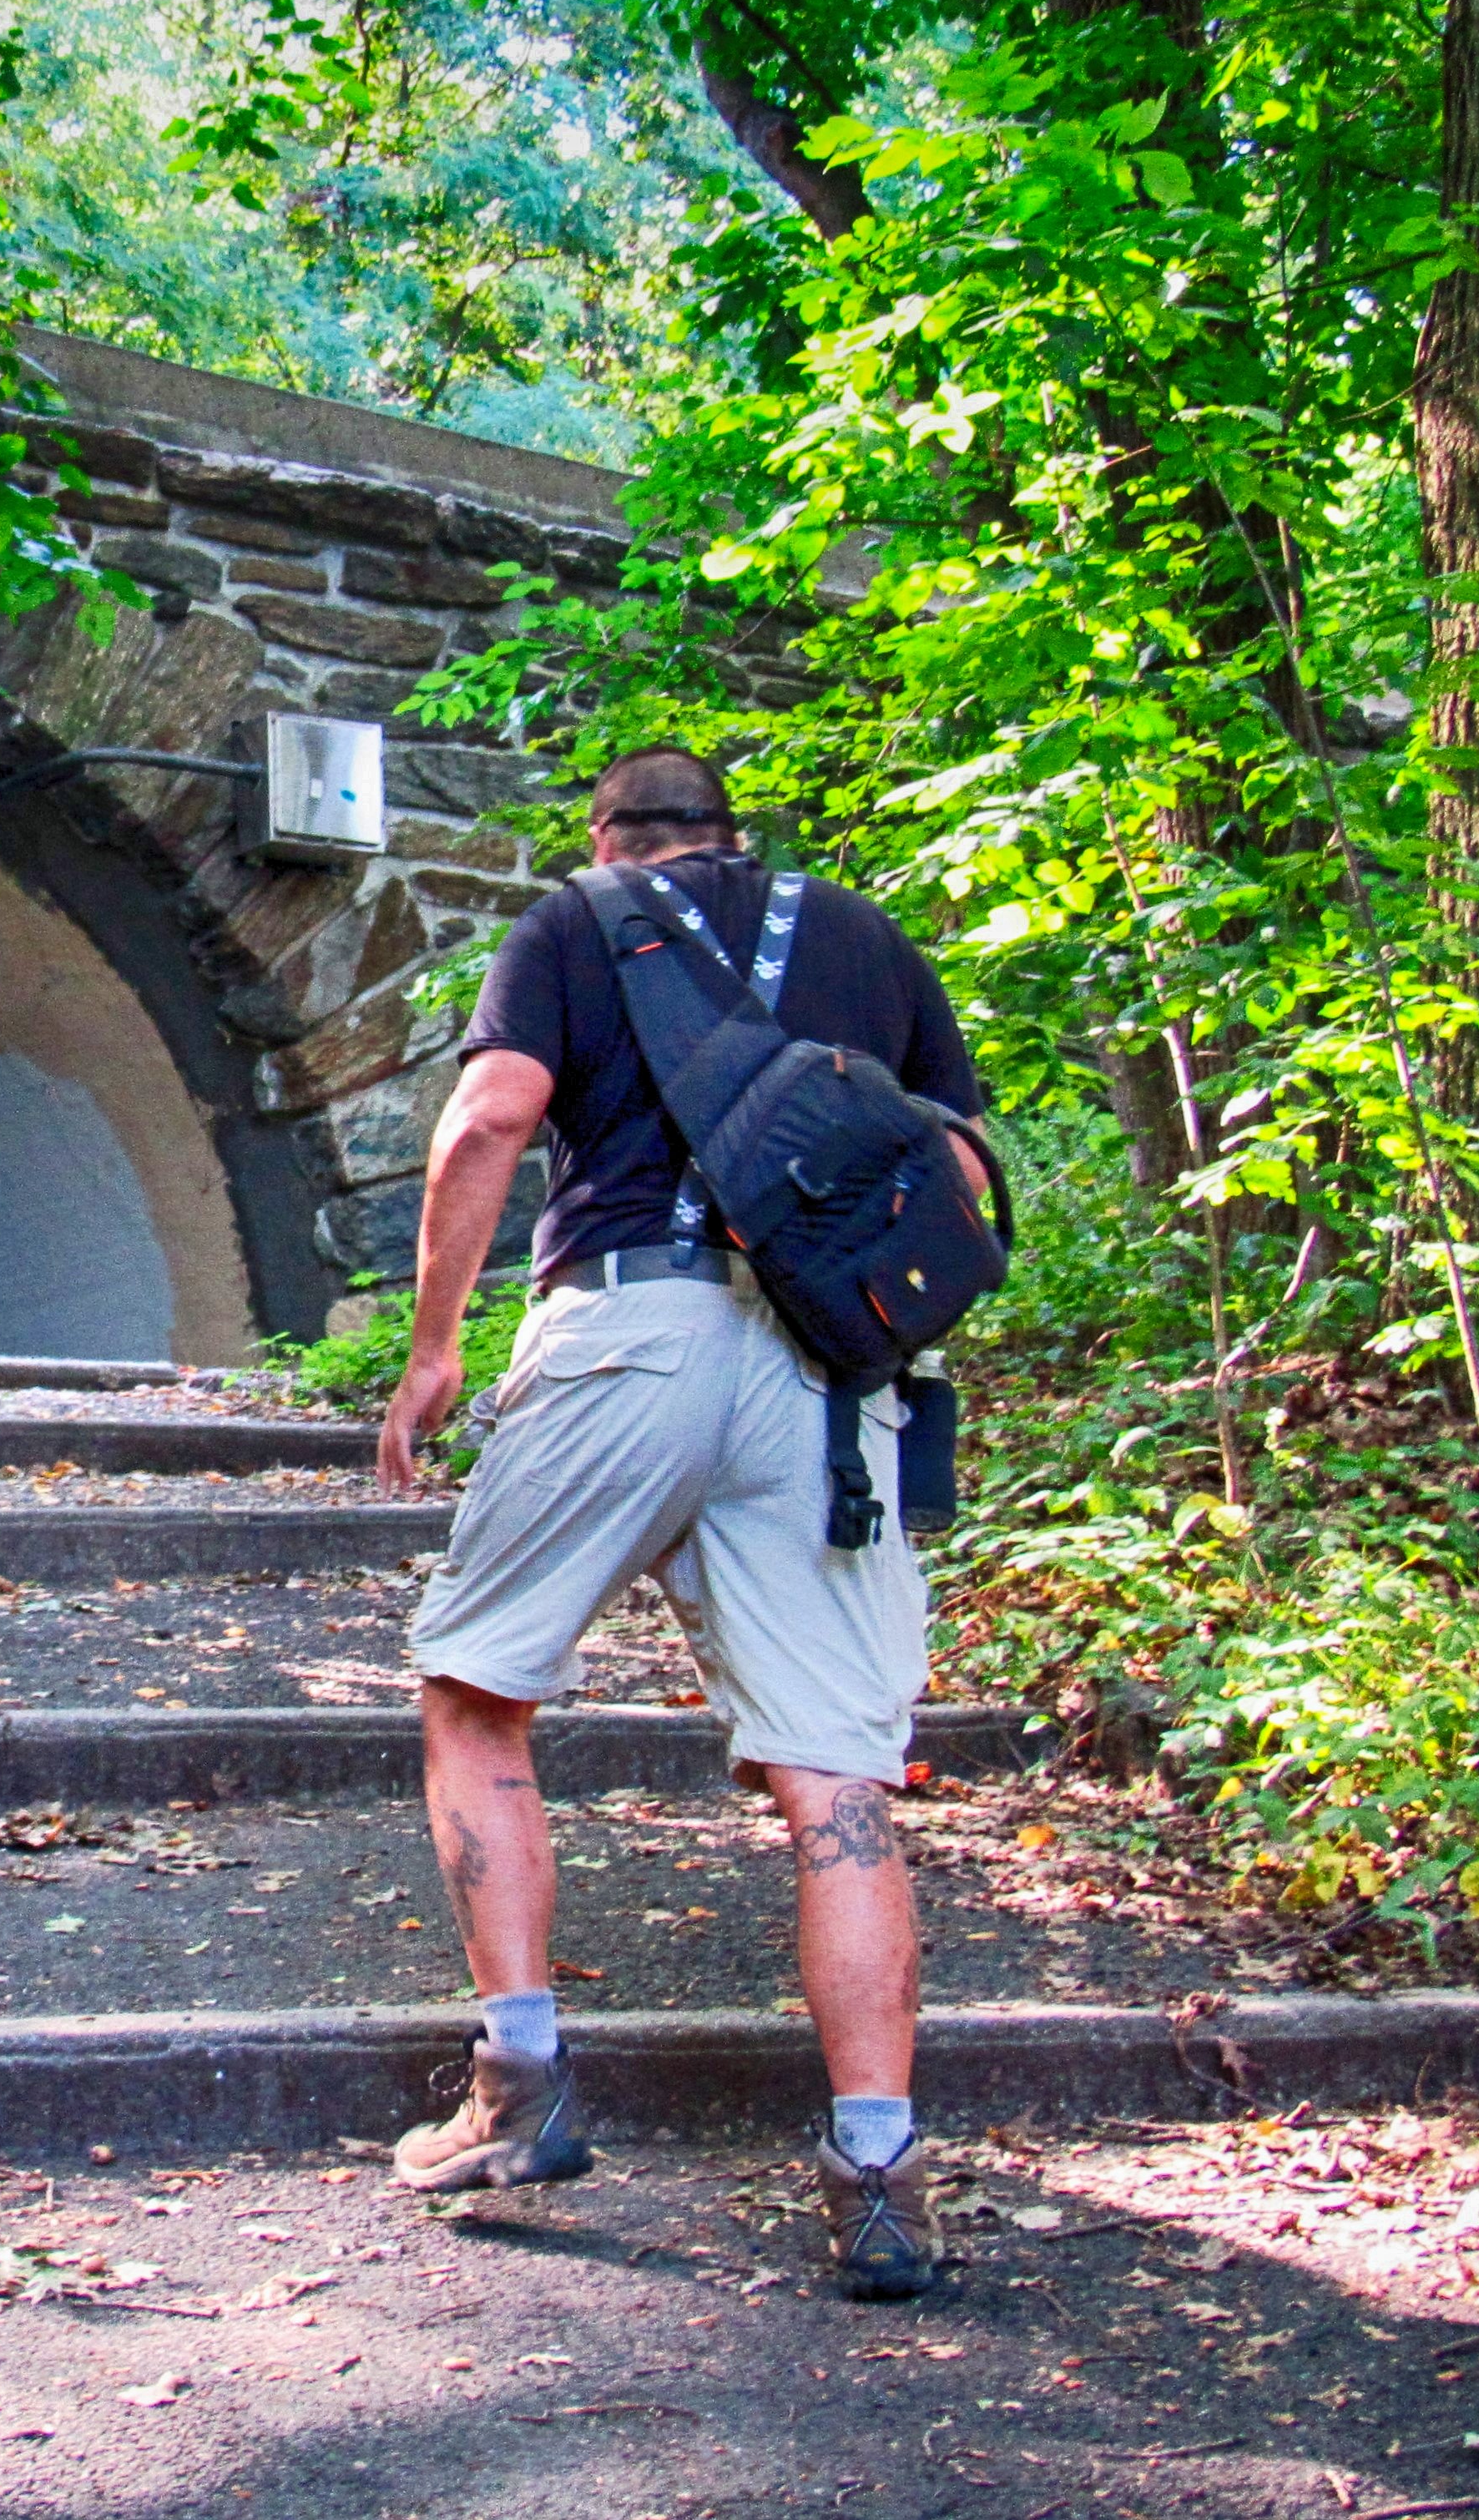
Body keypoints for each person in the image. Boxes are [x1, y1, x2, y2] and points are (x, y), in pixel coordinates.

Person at [372, 745, 994, 2301]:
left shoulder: (573, 923)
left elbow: (491, 1118)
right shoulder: (864, 936)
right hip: (829, 1383)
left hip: (627, 1331)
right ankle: (878, 2172)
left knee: (476, 1693)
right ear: (735, 833)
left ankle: (518, 2087)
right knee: (837, 1772)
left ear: (608, 839)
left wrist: (435, 1349)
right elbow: (961, 1167)